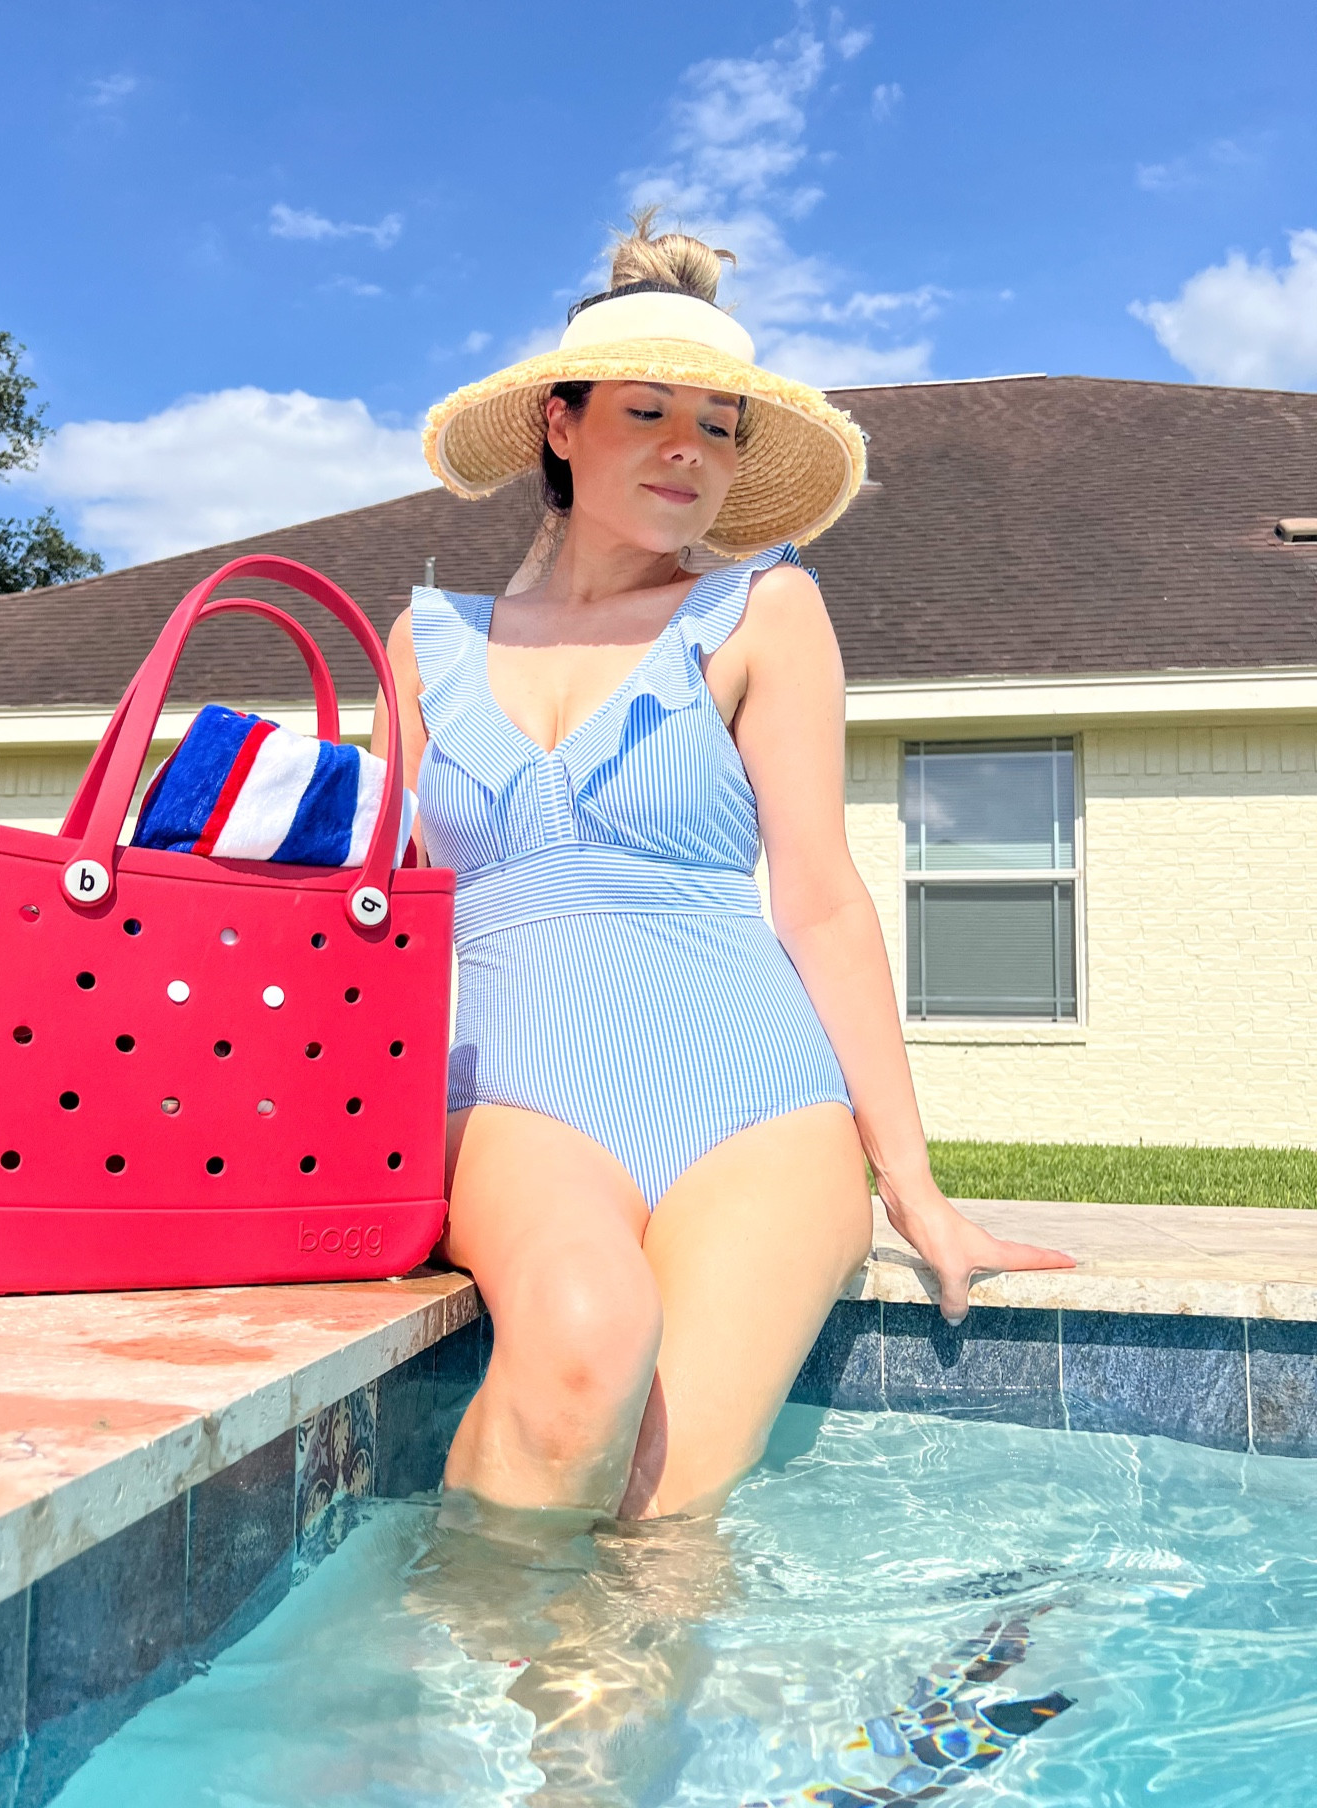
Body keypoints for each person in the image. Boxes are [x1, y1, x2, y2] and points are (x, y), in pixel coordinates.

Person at [372, 211, 1073, 1524]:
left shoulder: (765, 612)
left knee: (666, 1514)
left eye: (720, 424)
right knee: (580, 1357)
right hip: (514, 1094)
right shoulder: (422, 647)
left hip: (755, 1101)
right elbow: (384, 921)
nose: (690, 449)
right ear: (559, 428)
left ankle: (595, 1733)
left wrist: (912, 1181)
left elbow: (816, 894)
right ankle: (446, 1716)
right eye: (646, 411)